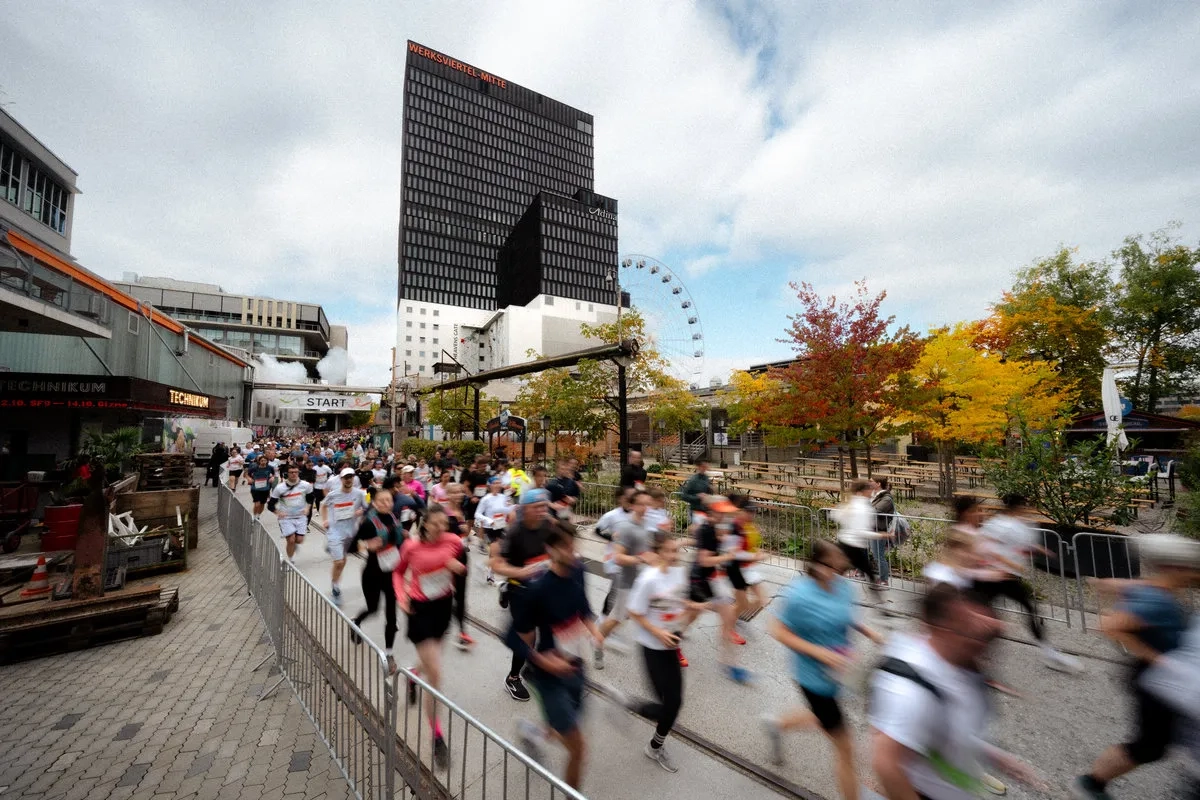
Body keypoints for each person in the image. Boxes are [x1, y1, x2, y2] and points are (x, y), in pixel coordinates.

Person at [870, 584, 1046, 800]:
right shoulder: (911, 691)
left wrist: (995, 757)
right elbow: (886, 764)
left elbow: (945, 730)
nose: (983, 641)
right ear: (942, 627)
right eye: (970, 629)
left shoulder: (953, 660)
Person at [1071, 534, 1200, 800]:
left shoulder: (1156, 588)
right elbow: (1110, 626)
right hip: (1158, 681)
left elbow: (1120, 586)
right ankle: (1090, 785)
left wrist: (1105, 584)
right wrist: (1158, 659)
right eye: (1190, 567)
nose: (1194, 573)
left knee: (1170, 739)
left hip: (1169, 678)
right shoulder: (1155, 599)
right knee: (1150, 746)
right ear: (1172, 567)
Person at [764, 540, 884, 800]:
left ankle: (777, 724)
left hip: (840, 672)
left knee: (821, 718)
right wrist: (818, 652)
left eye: (841, 566)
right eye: (833, 566)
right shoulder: (799, 595)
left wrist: (870, 632)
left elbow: (846, 616)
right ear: (817, 566)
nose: (839, 570)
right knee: (845, 747)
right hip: (813, 680)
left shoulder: (844, 587)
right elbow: (777, 630)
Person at [506, 523, 601, 790]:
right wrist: (543, 660)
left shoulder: (579, 570)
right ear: (550, 549)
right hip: (548, 678)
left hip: (576, 669)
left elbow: (583, 606)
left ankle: (532, 733)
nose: (572, 552)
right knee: (578, 748)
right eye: (565, 547)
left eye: (573, 545)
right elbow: (511, 636)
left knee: (564, 727)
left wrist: (595, 631)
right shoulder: (537, 588)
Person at [972, 494, 1082, 673]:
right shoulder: (997, 524)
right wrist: (1009, 563)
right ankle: (970, 650)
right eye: (1025, 506)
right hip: (993, 577)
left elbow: (1024, 545)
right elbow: (986, 547)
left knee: (1030, 609)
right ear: (1017, 506)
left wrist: (1042, 551)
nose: (1027, 509)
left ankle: (1048, 652)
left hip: (1009, 579)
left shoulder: (1023, 524)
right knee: (985, 614)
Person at [394, 502, 466, 769]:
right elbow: (398, 573)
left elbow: (462, 571)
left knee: (429, 663)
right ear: (425, 524)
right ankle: (436, 736)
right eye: (436, 525)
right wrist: (401, 598)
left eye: (444, 525)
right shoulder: (411, 546)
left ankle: (413, 674)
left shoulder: (453, 541)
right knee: (435, 673)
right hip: (420, 611)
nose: (440, 529)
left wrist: (458, 568)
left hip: (443, 607)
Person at [491, 488, 570, 702]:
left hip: (543, 588)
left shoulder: (547, 524)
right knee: (527, 637)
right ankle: (513, 677)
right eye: (537, 507)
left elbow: (558, 545)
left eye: (544, 506)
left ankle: (533, 668)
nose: (542, 510)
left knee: (550, 630)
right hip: (521, 590)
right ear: (525, 508)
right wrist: (521, 572)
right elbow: (496, 564)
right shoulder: (515, 533)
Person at [623, 534, 691, 773]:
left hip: (671, 645)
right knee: (668, 706)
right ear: (659, 552)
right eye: (669, 551)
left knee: (674, 703)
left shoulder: (679, 573)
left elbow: (679, 603)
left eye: (675, 550)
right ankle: (628, 704)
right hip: (652, 647)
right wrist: (658, 632)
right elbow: (634, 612)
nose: (673, 555)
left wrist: (692, 610)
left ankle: (654, 746)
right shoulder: (648, 579)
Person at [678, 498, 751, 683]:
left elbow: (708, 542)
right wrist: (726, 556)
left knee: (726, 619)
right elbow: (704, 561)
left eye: (726, 512)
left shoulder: (713, 527)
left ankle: (730, 664)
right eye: (722, 512)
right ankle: (672, 641)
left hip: (710, 579)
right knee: (691, 616)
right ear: (712, 513)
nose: (725, 515)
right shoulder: (707, 530)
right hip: (698, 580)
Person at [351, 486, 413, 674]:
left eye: (389, 500)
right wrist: (366, 545)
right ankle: (356, 621)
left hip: (392, 575)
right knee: (373, 609)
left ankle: (389, 653)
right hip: (372, 575)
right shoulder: (368, 523)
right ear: (375, 503)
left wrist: (405, 537)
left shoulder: (394, 518)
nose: (386, 503)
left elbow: (400, 542)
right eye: (382, 501)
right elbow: (351, 546)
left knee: (391, 616)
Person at [595, 489, 655, 670]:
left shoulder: (647, 524)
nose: (645, 508)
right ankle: (597, 641)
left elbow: (647, 549)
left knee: (642, 613)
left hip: (641, 581)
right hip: (627, 582)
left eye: (648, 504)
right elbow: (619, 558)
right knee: (617, 618)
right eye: (641, 504)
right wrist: (641, 559)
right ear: (633, 505)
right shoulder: (626, 527)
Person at [831, 479, 892, 595]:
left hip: (846, 543)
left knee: (841, 571)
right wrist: (881, 535)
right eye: (869, 488)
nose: (871, 490)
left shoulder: (854, 503)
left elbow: (836, 515)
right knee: (866, 574)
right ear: (863, 491)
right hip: (853, 546)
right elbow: (861, 532)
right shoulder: (863, 507)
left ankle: (828, 590)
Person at [319, 467, 368, 606]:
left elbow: (368, 507)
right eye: (346, 477)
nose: (348, 480)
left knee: (342, 560)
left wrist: (361, 512)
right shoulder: (333, 494)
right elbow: (323, 506)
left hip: (351, 533)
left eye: (351, 477)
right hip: (335, 532)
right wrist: (325, 520)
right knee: (339, 562)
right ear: (341, 479)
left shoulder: (361, 493)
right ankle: (335, 589)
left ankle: (335, 580)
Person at [441, 483, 475, 650]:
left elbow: (465, 534)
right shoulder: (443, 514)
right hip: (446, 559)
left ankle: (462, 632)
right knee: (445, 594)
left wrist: (465, 531)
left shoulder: (463, 511)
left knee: (460, 595)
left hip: (462, 557)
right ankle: (443, 621)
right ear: (447, 494)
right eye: (454, 492)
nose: (458, 495)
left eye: (460, 492)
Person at [269, 464, 312, 562]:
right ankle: (290, 561)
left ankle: (293, 546)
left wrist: (307, 508)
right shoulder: (280, 488)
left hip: (301, 517)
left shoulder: (305, 485)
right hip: (286, 518)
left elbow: (310, 498)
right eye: (291, 472)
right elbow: (270, 505)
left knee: (299, 540)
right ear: (287, 474)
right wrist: (278, 512)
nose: (294, 474)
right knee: (291, 540)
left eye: (296, 472)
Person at [474, 477, 513, 579]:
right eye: (495, 483)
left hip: (501, 526)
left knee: (499, 552)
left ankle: (483, 567)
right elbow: (477, 514)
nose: (497, 485)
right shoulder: (485, 499)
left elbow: (508, 510)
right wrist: (489, 521)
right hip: (490, 528)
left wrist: (513, 507)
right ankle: (490, 573)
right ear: (490, 485)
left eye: (499, 483)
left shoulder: (504, 497)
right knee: (496, 551)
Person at [870, 478, 895, 586]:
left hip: (880, 529)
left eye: (871, 481)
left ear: (878, 483)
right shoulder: (877, 496)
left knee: (879, 556)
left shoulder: (886, 498)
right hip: (873, 528)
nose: (869, 483)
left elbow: (875, 510)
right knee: (875, 554)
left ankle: (884, 580)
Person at [679, 458, 713, 523]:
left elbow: (709, 493)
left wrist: (710, 493)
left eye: (706, 467)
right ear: (699, 467)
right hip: (696, 512)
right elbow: (684, 496)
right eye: (703, 466)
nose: (705, 469)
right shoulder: (693, 480)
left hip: (705, 511)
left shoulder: (706, 478)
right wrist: (697, 497)